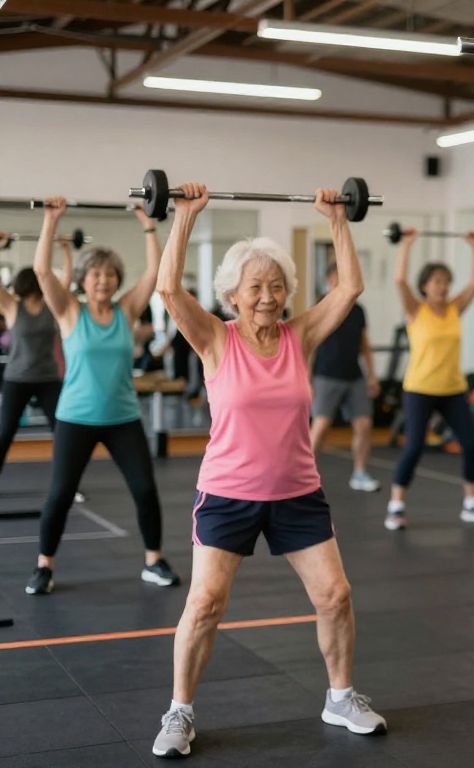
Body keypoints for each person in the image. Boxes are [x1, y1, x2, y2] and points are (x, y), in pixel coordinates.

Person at [151, 183, 384, 758]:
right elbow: (165, 287)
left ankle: (340, 696)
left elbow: (350, 286)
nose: (268, 295)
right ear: (232, 293)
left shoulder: (299, 336)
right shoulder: (212, 337)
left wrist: (336, 219)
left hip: (297, 493)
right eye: (256, 286)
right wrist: (183, 217)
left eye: (276, 285)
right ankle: (179, 712)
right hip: (227, 494)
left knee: (335, 595)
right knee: (204, 603)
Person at [27, 201, 178, 595]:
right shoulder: (69, 312)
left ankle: (153, 560)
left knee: (145, 489)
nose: (103, 281)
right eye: (96, 274)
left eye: (110, 274)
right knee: (60, 494)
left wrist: (148, 225)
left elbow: (155, 273)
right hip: (75, 417)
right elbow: (42, 271)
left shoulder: (127, 310)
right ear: (83, 279)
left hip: (122, 417)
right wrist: (50, 220)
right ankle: (44, 566)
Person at [385, 227, 474, 531]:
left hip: (453, 389)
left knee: (470, 445)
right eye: (436, 281)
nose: (443, 287)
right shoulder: (415, 310)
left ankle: (471, 503)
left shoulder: (455, 309)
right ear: (425, 286)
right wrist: (407, 244)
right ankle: (396, 506)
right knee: (413, 447)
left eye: (446, 282)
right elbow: (399, 280)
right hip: (419, 389)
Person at [0, 239, 72, 477]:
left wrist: (65, 250)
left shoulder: (51, 305)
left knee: (62, 432)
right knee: (4, 433)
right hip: (17, 380)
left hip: (48, 378)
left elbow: (65, 284)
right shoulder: (12, 306)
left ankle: (67, 483)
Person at [309, 261, 381, 492]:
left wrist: (372, 375)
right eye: (339, 276)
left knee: (364, 424)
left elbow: (364, 344)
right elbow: (308, 344)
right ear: (330, 279)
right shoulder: (322, 305)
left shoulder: (358, 310)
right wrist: (304, 378)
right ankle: (305, 477)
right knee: (320, 426)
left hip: (354, 375)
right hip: (326, 375)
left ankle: (359, 473)